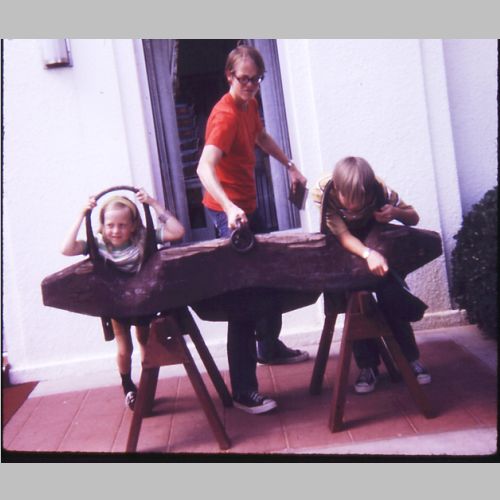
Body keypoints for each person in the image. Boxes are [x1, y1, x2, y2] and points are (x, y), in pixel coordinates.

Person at [196, 43, 309, 414]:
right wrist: (229, 207)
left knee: (270, 277)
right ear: (230, 76)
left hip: (247, 207)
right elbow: (203, 168)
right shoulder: (225, 116)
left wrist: (290, 165)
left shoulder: (250, 104)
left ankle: (269, 347)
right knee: (242, 300)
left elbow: (260, 137)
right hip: (226, 214)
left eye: (257, 80)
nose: (251, 86)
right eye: (244, 79)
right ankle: (244, 391)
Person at [311, 156, 431, 394]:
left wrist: (394, 212)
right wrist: (367, 254)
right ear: (337, 189)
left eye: (361, 199)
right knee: (355, 303)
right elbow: (343, 236)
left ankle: (410, 358)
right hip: (345, 250)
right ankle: (368, 366)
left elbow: (413, 217)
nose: (354, 206)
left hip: (376, 241)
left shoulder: (379, 187)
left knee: (391, 296)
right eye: (348, 199)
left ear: (368, 191)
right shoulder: (322, 191)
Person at [61, 188, 185, 410]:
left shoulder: (143, 239)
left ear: (133, 226)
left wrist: (153, 203)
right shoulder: (98, 244)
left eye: (122, 225)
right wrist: (82, 214)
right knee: (124, 348)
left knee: (145, 342)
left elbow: (177, 232)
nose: (115, 230)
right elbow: (67, 249)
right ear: (102, 226)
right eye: (110, 225)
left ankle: (146, 385)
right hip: (116, 302)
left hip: (143, 300)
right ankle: (127, 385)